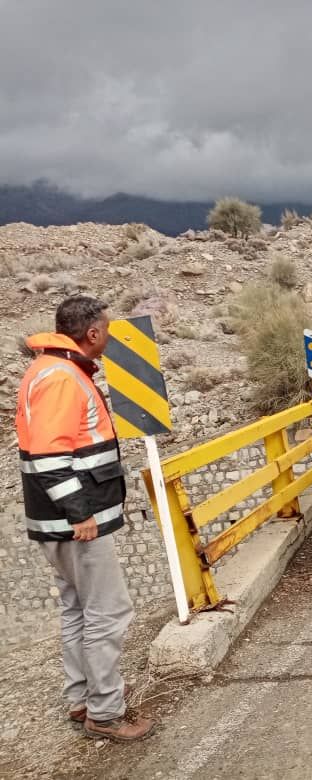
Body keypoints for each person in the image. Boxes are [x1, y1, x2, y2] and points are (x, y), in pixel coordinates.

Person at [15, 295, 155, 742]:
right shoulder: (61, 379)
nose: (109, 338)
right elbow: (50, 457)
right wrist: (81, 514)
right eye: (107, 331)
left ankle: (84, 698)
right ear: (92, 333)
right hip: (76, 523)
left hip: (55, 523)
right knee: (108, 612)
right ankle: (106, 712)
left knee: (78, 609)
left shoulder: (49, 370)